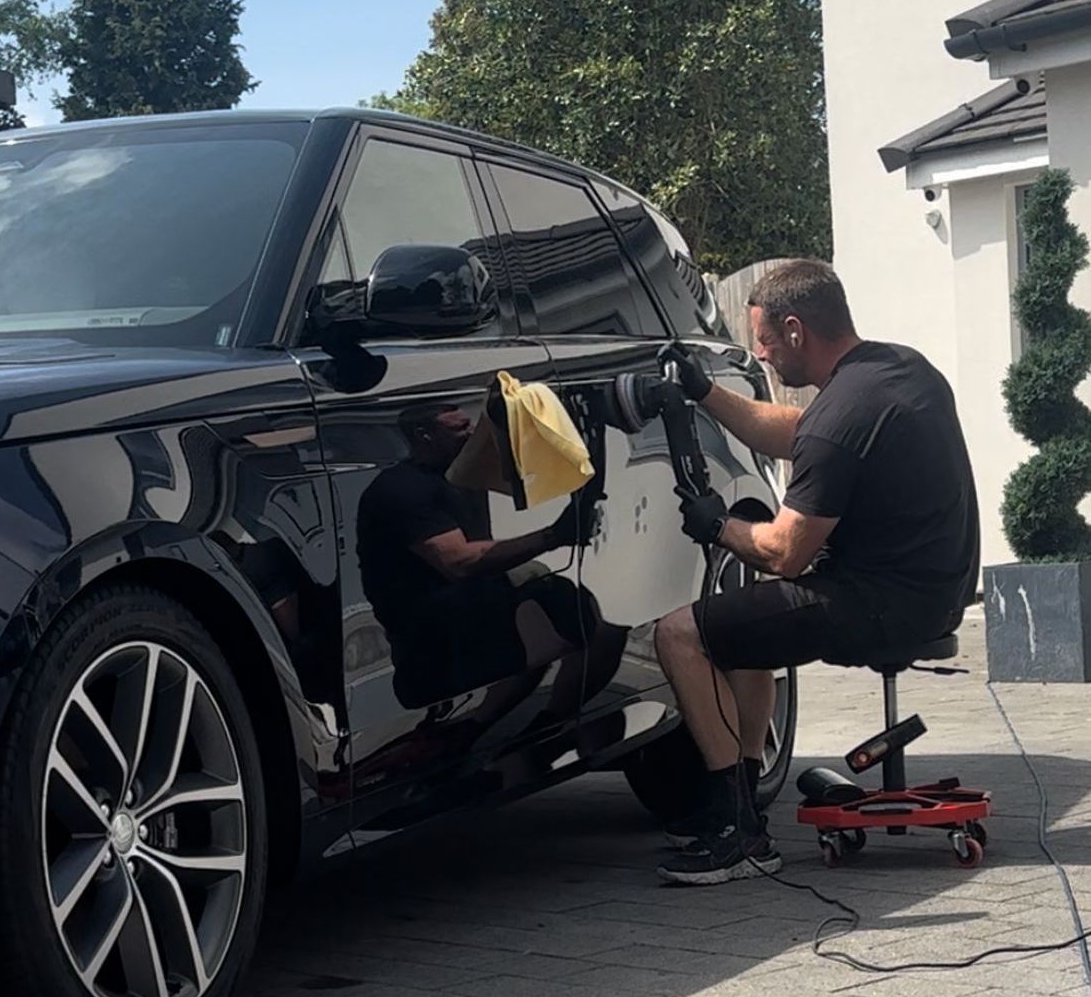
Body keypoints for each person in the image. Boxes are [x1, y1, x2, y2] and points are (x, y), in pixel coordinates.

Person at [653, 259, 980, 886]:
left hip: (877, 606)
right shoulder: (895, 370)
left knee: (680, 635)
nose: (761, 355)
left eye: (765, 341)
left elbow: (784, 552)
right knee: (744, 628)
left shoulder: (843, 416)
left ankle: (737, 832)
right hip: (934, 593)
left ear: (796, 330)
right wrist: (704, 393)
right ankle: (744, 793)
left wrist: (716, 523)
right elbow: (798, 432)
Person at [357, 401, 623, 734]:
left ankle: (547, 722)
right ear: (423, 435)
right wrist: (555, 535)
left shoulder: (462, 471)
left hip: (477, 602)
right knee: (567, 625)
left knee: (597, 623)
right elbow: (459, 562)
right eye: (457, 429)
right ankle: (479, 728)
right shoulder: (400, 490)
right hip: (433, 631)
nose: (470, 433)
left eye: (468, 425)